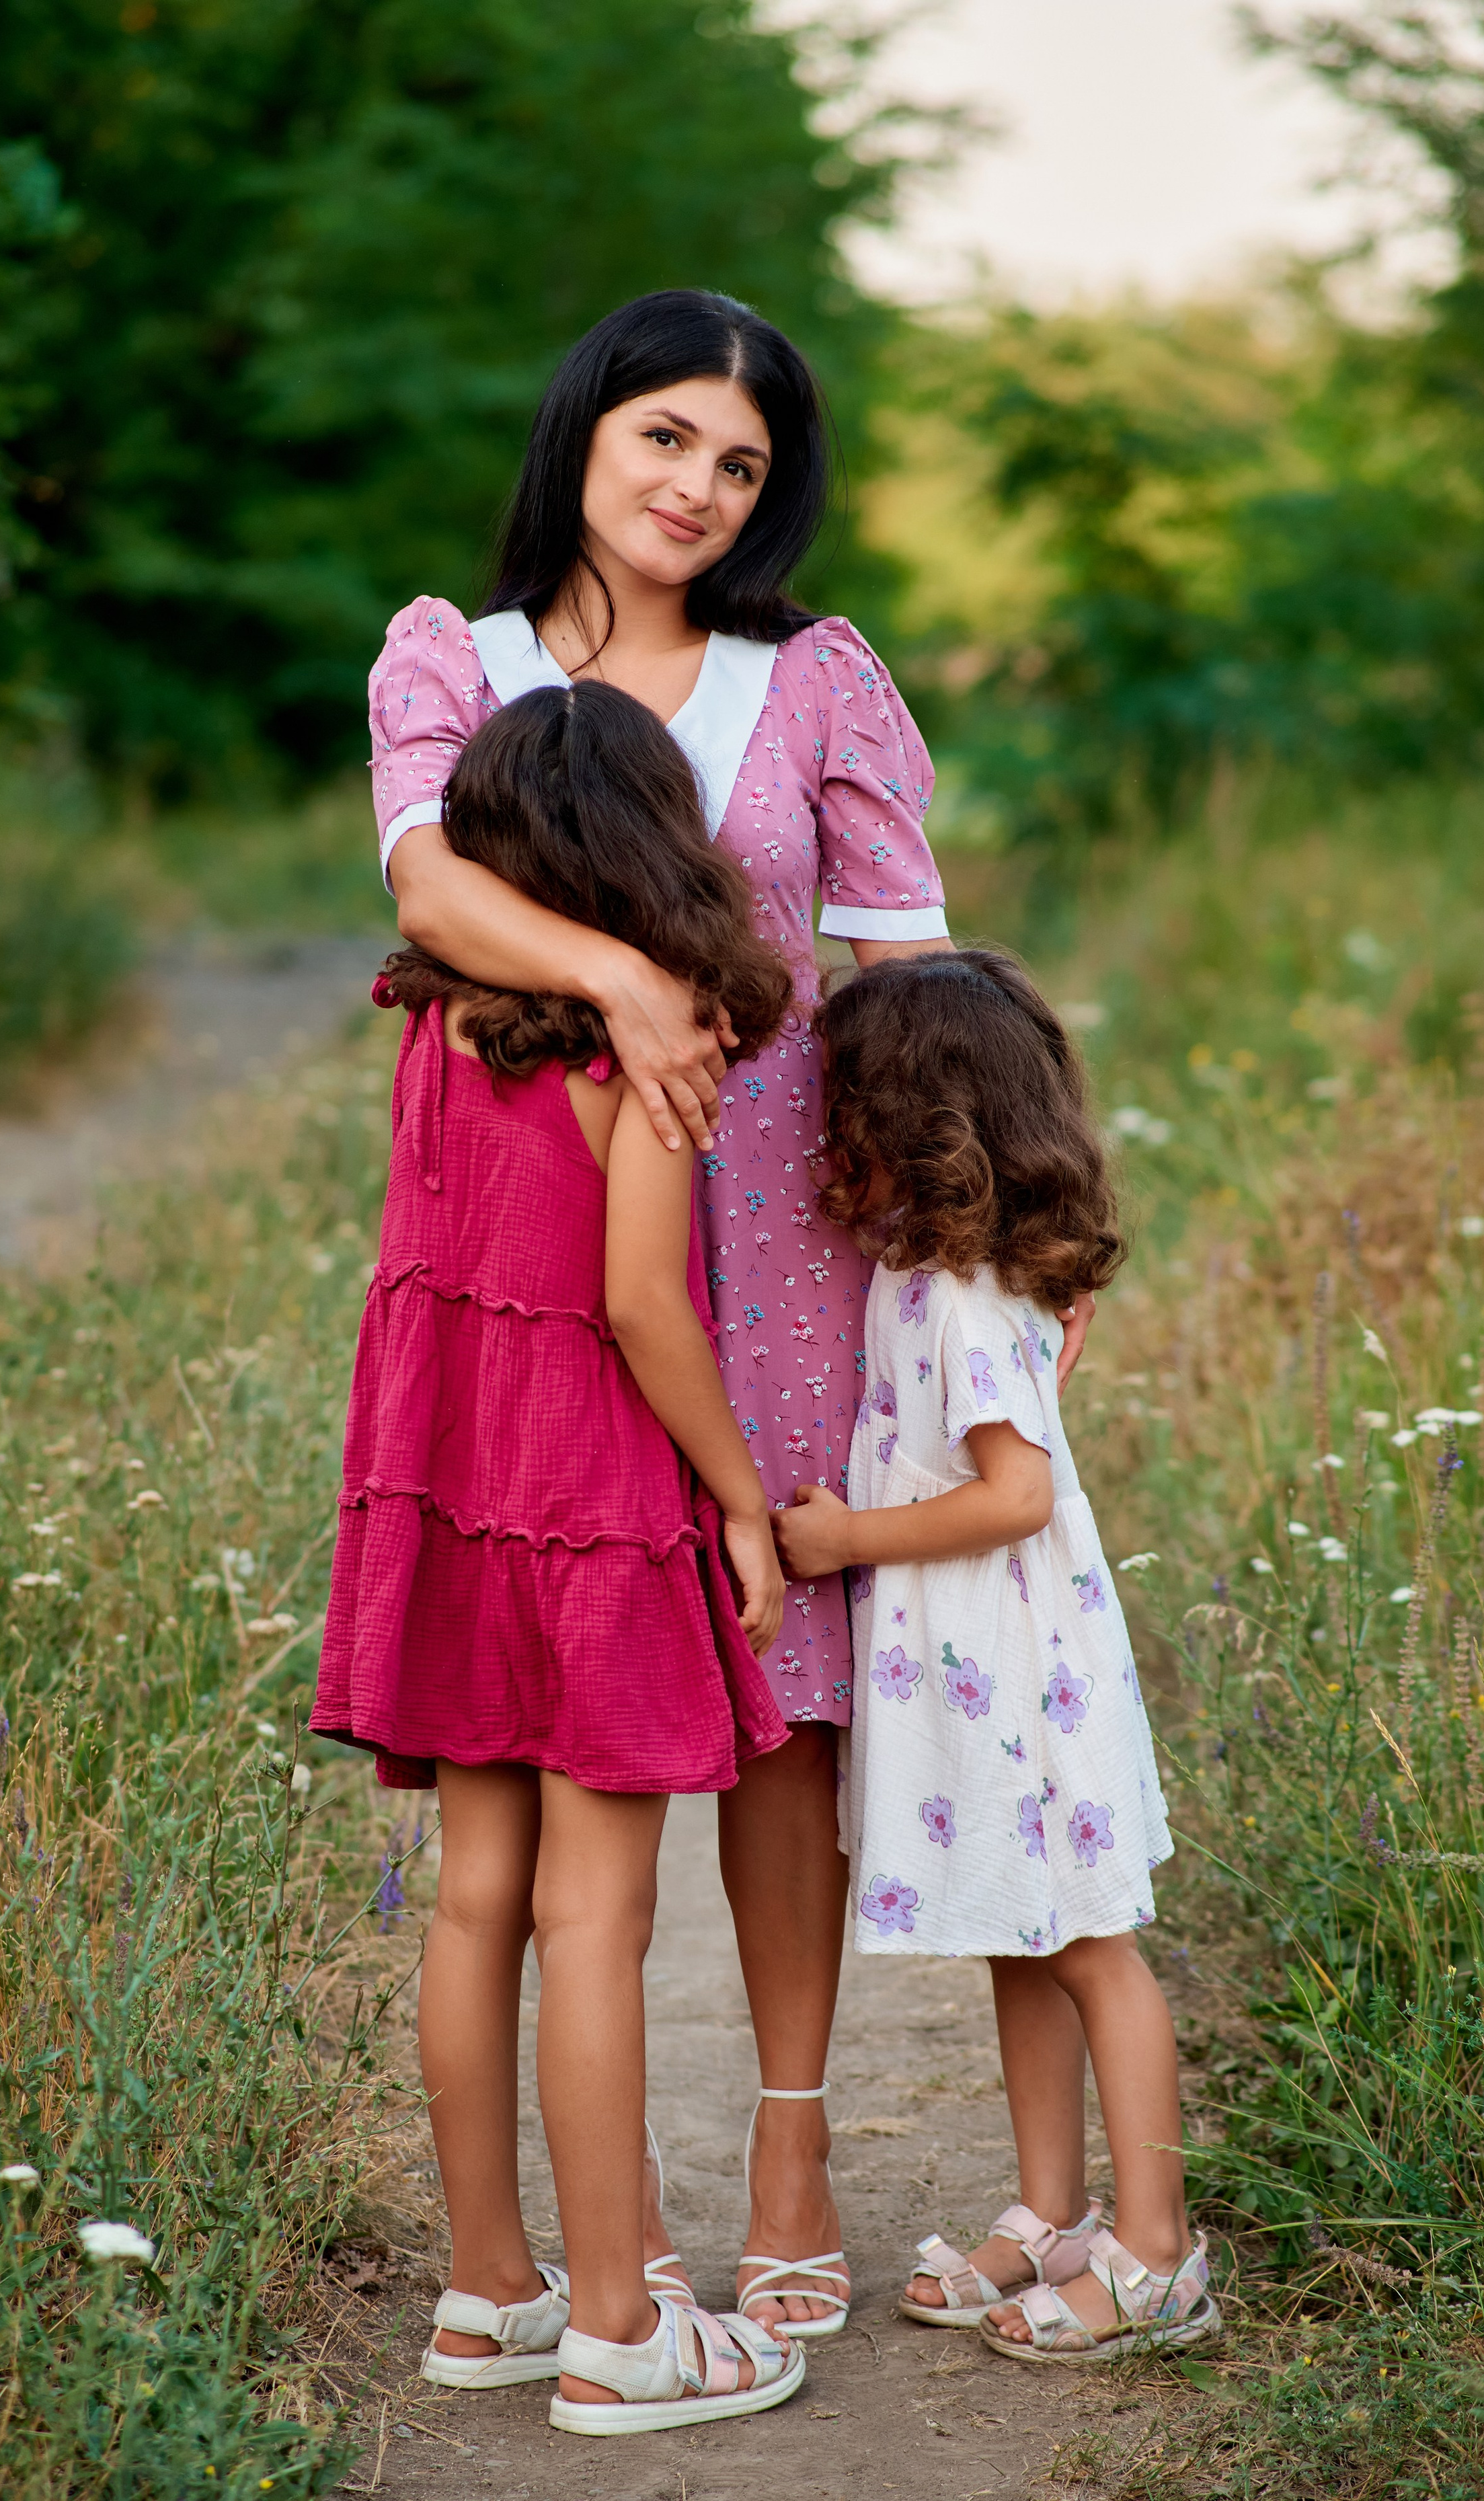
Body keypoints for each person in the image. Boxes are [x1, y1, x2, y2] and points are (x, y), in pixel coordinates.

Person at [366, 286, 1091, 2333]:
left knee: (789, 1703)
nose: (697, 487)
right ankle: (586, 2257)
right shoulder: (463, 659)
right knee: (555, 1719)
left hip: (792, 1233)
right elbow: (429, 891)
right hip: (549, 1231)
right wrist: (622, 983)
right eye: (666, 437)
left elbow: (907, 979)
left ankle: (790, 2132)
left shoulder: (816, 683)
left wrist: (993, 1247)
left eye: (743, 465)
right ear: (586, 434)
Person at [310, 682, 808, 2432]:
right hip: (587, 1497)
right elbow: (640, 1312)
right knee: (600, 1916)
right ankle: (621, 2325)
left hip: (444, 1494)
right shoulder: (640, 1040)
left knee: (475, 1902)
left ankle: (491, 2291)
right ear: (653, 850)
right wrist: (743, 1499)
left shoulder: (433, 1026)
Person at [775, 951, 1221, 2363]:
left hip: (1013, 1669)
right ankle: (1049, 2213)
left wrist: (845, 1537)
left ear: (909, 1126)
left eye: (837, 1112)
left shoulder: (961, 1296)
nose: (816, 1137)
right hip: (978, 1652)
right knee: (1023, 1942)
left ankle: (1156, 2254)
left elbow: (1013, 1494)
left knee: (1089, 1945)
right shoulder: (936, 1278)